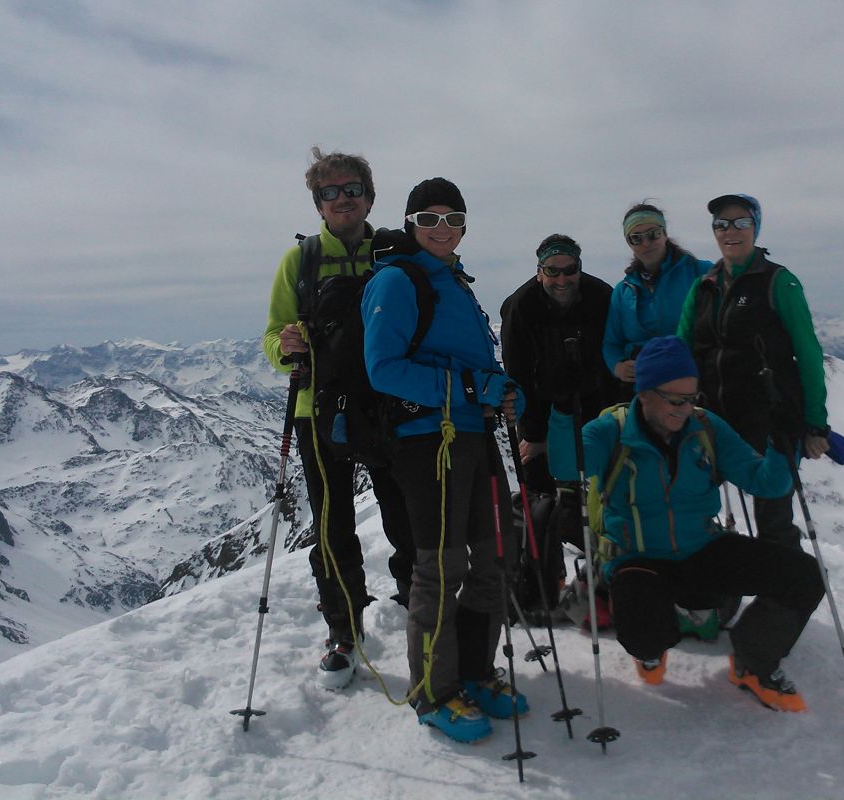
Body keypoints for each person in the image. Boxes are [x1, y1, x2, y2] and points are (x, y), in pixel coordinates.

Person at [361, 177, 529, 743]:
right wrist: (472, 389)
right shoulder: (397, 280)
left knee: (493, 558)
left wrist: (503, 393)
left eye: (452, 218)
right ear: (410, 224)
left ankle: (475, 672)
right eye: (429, 218)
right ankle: (433, 692)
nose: (442, 228)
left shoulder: (453, 281)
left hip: (473, 438)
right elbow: (383, 369)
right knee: (441, 567)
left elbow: (472, 369)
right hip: (427, 443)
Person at [580, 336, 825, 710]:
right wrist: (561, 412)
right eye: (674, 399)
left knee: (804, 577)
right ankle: (651, 647)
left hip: (701, 547)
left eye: (691, 397)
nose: (685, 408)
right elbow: (565, 465)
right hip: (638, 556)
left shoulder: (706, 428)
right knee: (644, 634)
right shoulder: (609, 432)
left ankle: (752, 662)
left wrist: (781, 443)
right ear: (644, 393)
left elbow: (767, 484)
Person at [261, 147, 416, 690]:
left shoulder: (394, 251)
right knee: (332, 526)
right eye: (330, 192)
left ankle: (419, 605)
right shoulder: (300, 261)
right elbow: (273, 335)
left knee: (405, 514)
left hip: (387, 406)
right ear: (318, 204)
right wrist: (285, 347)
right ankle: (343, 628)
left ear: (369, 197)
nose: (342, 199)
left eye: (352, 189)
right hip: (319, 410)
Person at [677, 193, 830, 550]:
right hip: (713, 415)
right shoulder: (704, 286)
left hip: (770, 417)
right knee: (690, 506)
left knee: (773, 517)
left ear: (755, 228)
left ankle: (783, 582)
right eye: (722, 224)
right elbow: (681, 349)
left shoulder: (779, 283)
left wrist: (815, 424)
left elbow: (808, 354)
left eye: (741, 222)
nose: (730, 231)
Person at [499, 234, 621, 618]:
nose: (562, 279)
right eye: (553, 271)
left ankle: (607, 573)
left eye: (570, 270)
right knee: (541, 496)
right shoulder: (521, 307)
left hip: (596, 403)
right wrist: (536, 436)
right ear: (539, 272)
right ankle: (542, 583)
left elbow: (614, 360)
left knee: (604, 490)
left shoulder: (602, 298)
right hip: (542, 404)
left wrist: (616, 418)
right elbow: (518, 374)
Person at [602, 202, 713, 385]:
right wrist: (617, 366)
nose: (646, 243)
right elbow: (611, 343)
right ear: (629, 243)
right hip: (644, 384)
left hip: (693, 380)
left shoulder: (700, 272)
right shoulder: (623, 290)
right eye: (636, 238)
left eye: (653, 234)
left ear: (665, 234)